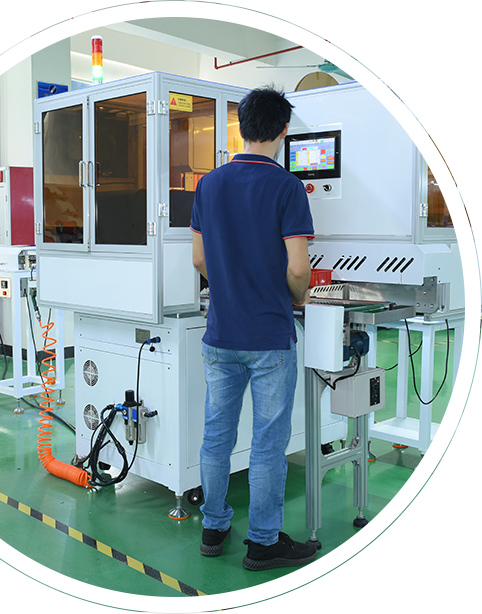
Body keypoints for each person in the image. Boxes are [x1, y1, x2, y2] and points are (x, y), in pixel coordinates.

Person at [189, 84, 317, 571]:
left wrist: (229, 286)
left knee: (216, 436)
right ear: (283, 130)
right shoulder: (287, 187)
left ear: (240, 128)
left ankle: (214, 526)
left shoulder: (209, 184)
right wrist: (296, 297)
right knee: (267, 443)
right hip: (269, 338)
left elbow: (199, 259)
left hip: (220, 335)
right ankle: (262, 542)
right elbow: (299, 268)